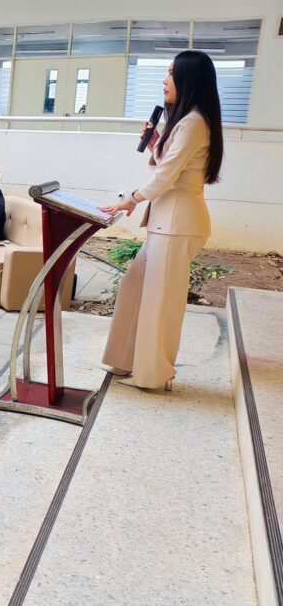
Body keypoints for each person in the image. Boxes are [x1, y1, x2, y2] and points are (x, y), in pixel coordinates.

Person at [100, 50, 224, 391]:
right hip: (167, 225)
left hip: (177, 225)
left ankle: (152, 375)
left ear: (188, 80)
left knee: (159, 304)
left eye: (171, 73)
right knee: (134, 287)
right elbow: (170, 166)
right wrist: (156, 141)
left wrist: (131, 198)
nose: (164, 80)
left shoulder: (193, 123)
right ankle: (126, 359)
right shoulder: (186, 123)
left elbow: (166, 176)